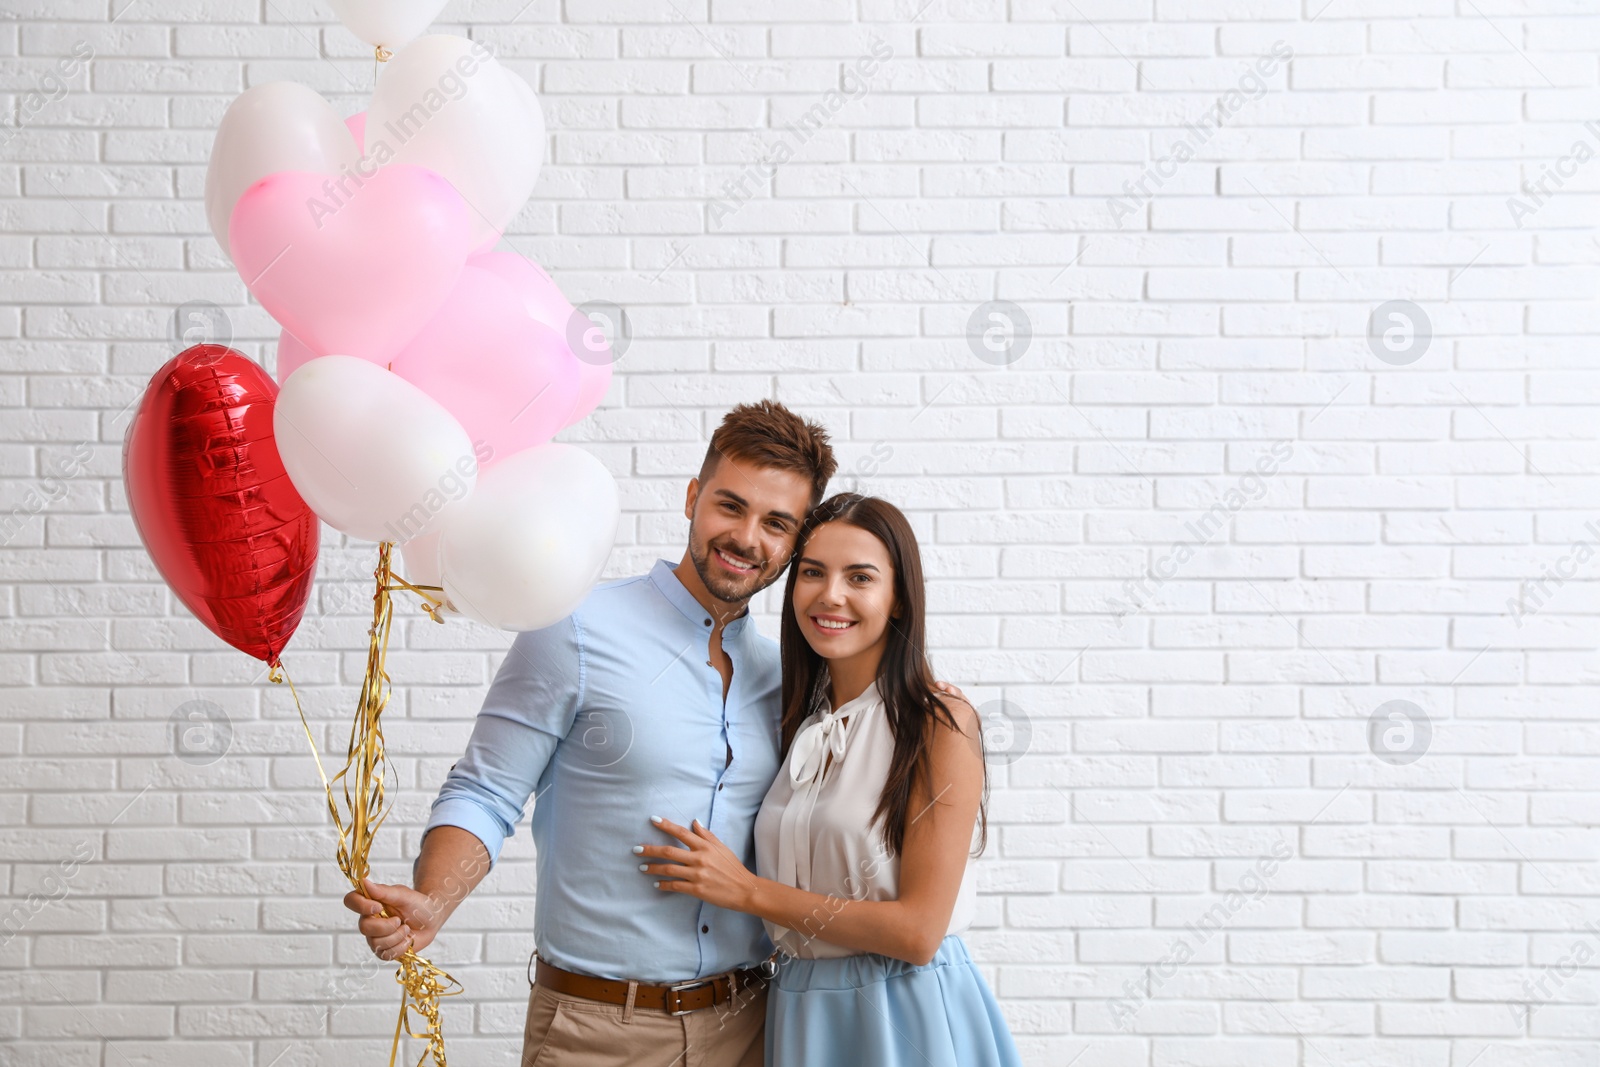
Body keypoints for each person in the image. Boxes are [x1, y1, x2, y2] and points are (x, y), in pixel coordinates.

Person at [342, 404, 966, 1066]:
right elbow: (488, 788)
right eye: (731, 505)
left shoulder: (791, 678)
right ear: (694, 498)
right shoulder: (576, 627)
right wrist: (435, 898)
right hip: (596, 1032)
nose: (747, 536)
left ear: (795, 542)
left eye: (777, 523)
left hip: (756, 1026)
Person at [633, 493, 1024, 1067]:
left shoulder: (938, 721)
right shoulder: (800, 725)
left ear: (897, 599)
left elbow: (919, 932)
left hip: (902, 1010)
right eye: (812, 573)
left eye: (859, 577)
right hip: (798, 1005)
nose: (830, 595)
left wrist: (747, 891)